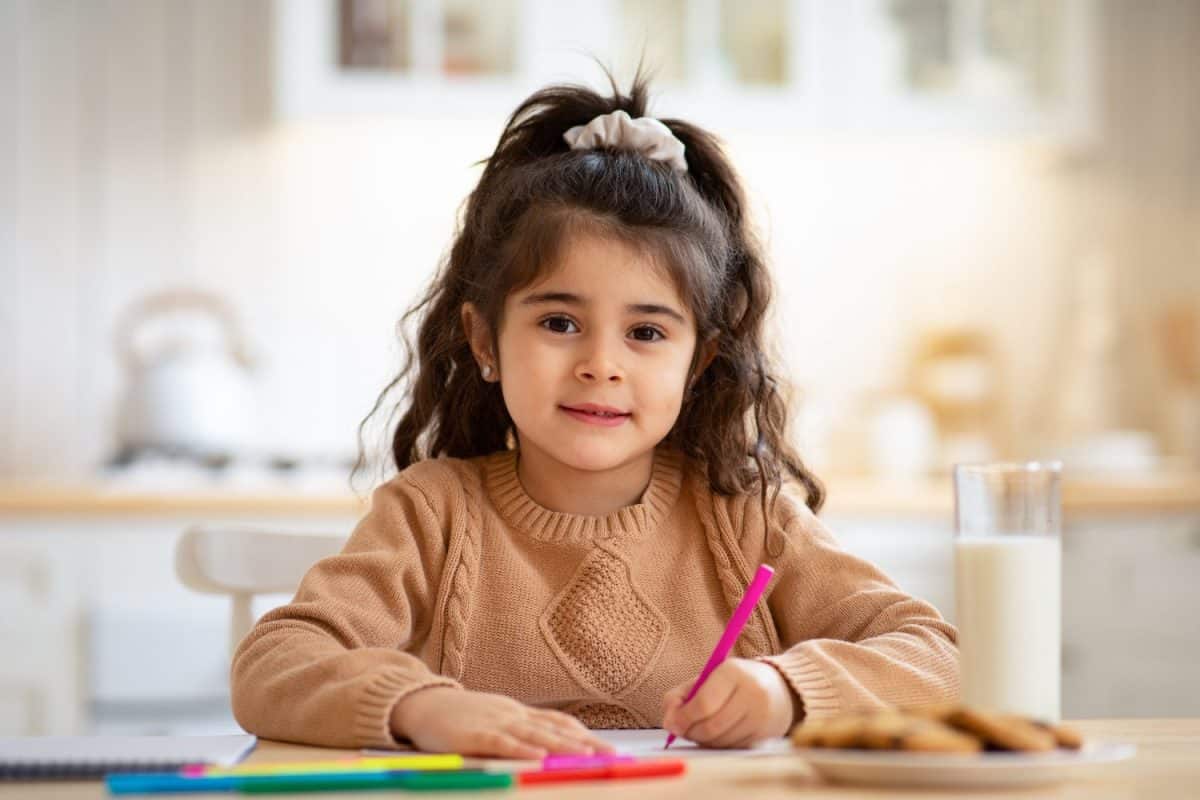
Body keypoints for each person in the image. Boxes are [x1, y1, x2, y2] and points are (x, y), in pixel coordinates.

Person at [230, 73, 959, 758]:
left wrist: (786, 690)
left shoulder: (751, 523)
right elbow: (274, 663)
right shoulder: (430, 517)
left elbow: (940, 656)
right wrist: (420, 707)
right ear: (485, 339)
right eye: (559, 322)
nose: (601, 365)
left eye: (646, 333)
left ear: (698, 363)